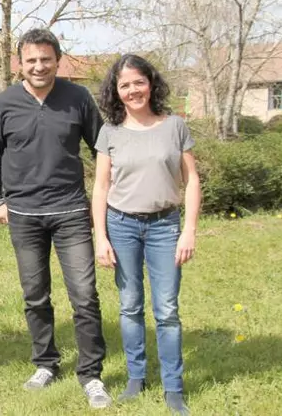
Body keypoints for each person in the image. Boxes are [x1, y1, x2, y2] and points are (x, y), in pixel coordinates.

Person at [0, 28, 111, 408]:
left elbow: (102, 148)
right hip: (24, 215)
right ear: (20, 63)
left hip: (71, 212)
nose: (39, 66)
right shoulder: (3, 104)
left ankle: (91, 374)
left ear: (58, 60)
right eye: (31, 60)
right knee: (35, 296)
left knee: (84, 296)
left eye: (46, 59)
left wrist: (105, 200)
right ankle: (46, 363)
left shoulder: (78, 98)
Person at [91, 54, 200, 415]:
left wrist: (189, 231)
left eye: (139, 81)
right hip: (122, 226)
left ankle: (173, 387)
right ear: (116, 91)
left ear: (150, 83)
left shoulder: (175, 127)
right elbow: (101, 187)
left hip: (165, 227)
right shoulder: (110, 132)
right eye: (125, 85)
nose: (133, 90)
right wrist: (101, 237)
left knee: (167, 310)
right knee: (129, 305)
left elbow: (192, 180)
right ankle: (136, 378)